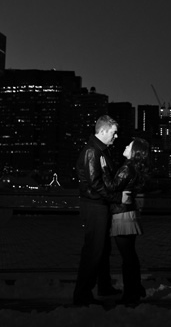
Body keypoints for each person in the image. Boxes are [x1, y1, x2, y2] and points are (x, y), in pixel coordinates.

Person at [72, 115, 124, 306]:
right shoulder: (93, 152)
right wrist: (117, 198)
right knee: (94, 251)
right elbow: (95, 184)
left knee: (101, 250)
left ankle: (103, 286)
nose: (115, 136)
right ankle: (82, 294)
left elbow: (99, 182)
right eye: (113, 132)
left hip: (98, 205)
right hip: (95, 206)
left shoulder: (98, 151)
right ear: (102, 131)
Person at [104, 137, 150, 304]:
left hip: (122, 215)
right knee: (130, 256)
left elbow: (110, 187)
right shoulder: (134, 168)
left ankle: (131, 293)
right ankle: (135, 288)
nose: (125, 145)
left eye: (129, 145)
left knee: (127, 258)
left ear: (134, 152)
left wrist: (103, 169)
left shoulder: (126, 168)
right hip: (129, 214)